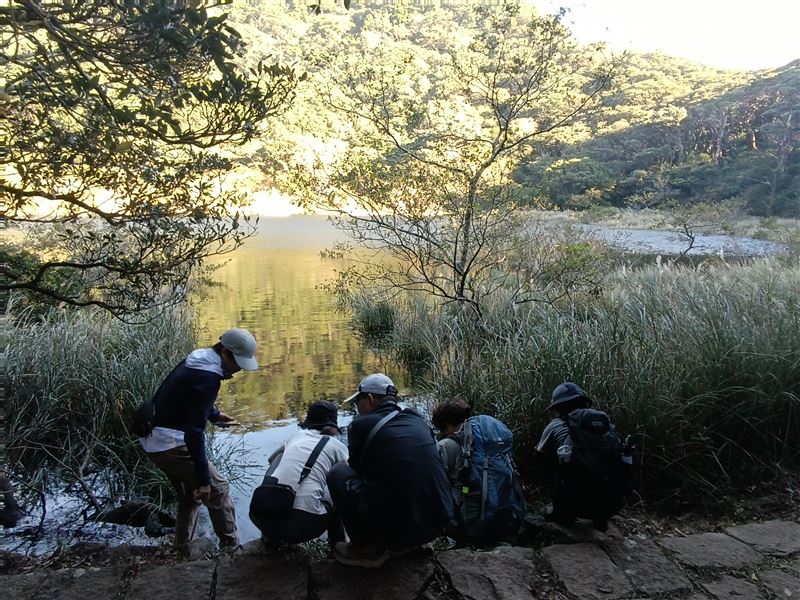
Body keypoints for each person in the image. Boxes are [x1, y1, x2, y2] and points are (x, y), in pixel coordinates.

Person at [139, 328, 259, 549]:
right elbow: (194, 433)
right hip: (169, 444)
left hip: (154, 441)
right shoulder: (209, 378)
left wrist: (213, 415)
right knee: (218, 489)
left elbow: (187, 397)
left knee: (189, 497)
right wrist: (204, 481)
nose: (238, 370)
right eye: (237, 364)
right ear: (225, 352)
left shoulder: (199, 358)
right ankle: (232, 550)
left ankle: (182, 547)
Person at [327, 373, 453, 568]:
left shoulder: (360, 426)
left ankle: (366, 549)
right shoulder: (418, 420)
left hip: (399, 535)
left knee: (338, 473)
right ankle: (414, 541)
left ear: (370, 399)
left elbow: (357, 472)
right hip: (437, 525)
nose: (357, 407)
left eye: (358, 401)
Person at [249, 401, 348, 546]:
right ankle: (337, 546)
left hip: (260, 517)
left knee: (279, 458)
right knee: (338, 489)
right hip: (304, 526)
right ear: (333, 427)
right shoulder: (337, 446)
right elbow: (349, 476)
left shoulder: (298, 436)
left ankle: (270, 538)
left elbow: (271, 460)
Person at [535, 382, 629, 532]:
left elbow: (538, 458)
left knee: (551, 460)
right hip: (612, 504)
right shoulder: (605, 423)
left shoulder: (555, 425)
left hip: (575, 505)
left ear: (558, 407)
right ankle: (600, 516)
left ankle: (562, 512)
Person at [432, 398, 526, 545]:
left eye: (442, 429)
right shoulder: (485, 433)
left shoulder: (446, 445)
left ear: (447, 424)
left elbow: (432, 482)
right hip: (509, 520)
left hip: (476, 527)